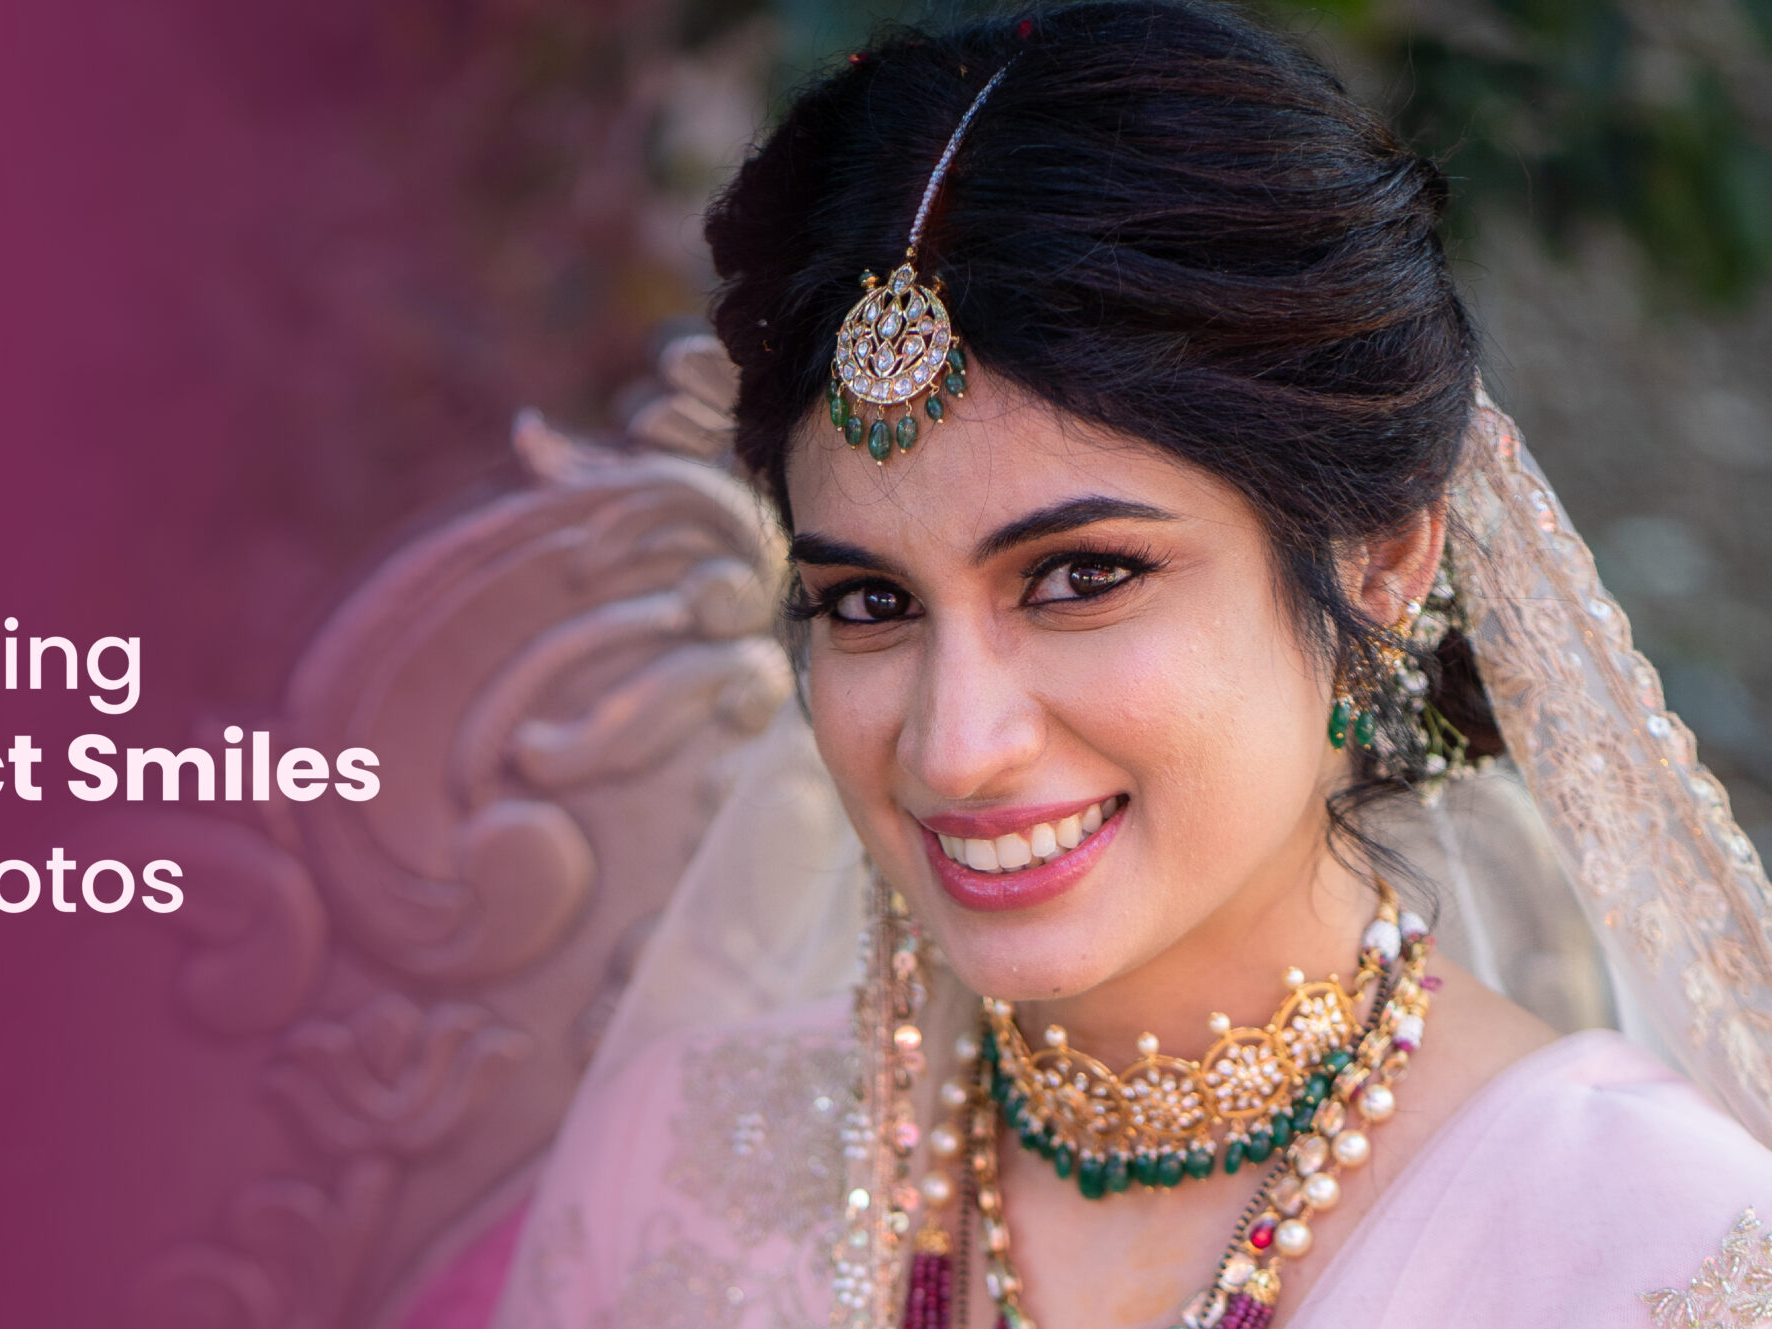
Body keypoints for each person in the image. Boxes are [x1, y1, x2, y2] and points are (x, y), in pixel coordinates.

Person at [483, 3, 1772, 1326]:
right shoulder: (678, 1169)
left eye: (1081, 577)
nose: (952, 745)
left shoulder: (1666, 1250)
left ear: (1381, 561)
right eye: (868, 601)